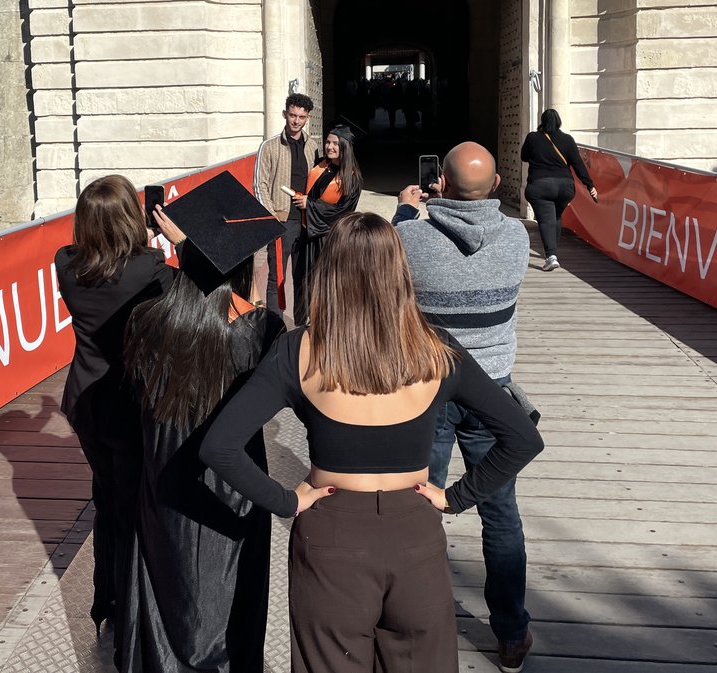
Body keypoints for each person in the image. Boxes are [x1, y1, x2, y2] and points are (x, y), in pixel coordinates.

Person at [199, 212, 545, 673]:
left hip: (330, 531)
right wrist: (456, 497)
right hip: (415, 530)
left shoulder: (298, 350)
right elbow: (522, 438)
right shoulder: (437, 350)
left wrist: (284, 500)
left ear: (329, 272)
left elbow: (219, 446)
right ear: (400, 272)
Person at [120, 172, 287, 673]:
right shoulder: (261, 331)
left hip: (165, 475)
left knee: (166, 585)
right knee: (233, 595)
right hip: (230, 489)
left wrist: (186, 250)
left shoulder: (144, 320)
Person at [394, 142, 538, 673]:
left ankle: (414, 621)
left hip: (428, 389)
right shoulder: (518, 238)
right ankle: (510, 635)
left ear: (441, 185)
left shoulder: (410, 237)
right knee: (501, 515)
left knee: (415, 506)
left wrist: (407, 212)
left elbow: (389, 273)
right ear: (497, 185)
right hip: (493, 393)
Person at [54, 175, 179, 645]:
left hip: (86, 399)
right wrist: (166, 244)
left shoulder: (65, 264)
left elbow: (96, 261)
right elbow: (190, 294)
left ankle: (105, 599)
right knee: (131, 508)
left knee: (107, 500)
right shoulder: (148, 269)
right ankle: (130, 608)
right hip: (129, 403)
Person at [254, 93, 318, 318]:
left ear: (308, 118)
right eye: (292, 115)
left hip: (306, 221)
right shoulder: (270, 146)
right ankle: (275, 327)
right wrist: (272, 217)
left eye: (301, 116)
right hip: (281, 221)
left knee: (304, 275)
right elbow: (259, 184)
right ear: (285, 114)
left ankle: (301, 324)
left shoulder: (313, 147)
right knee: (277, 277)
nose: (296, 121)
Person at [290, 125, 362, 325]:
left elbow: (342, 212)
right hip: (308, 234)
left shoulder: (352, 178)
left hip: (328, 239)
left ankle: (328, 323)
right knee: (303, 279)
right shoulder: (321, 165)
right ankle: (304, 322)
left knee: (326, 281)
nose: (329, 147)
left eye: (335, 144)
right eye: (328, 142)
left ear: (345, 147)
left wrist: (309, 204)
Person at [520, 108, 597, 271]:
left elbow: (524, 157)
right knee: (555, 216)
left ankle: (551, 256)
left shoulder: (533, 138)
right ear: (559, 122)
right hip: (565, 187)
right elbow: (578, 165)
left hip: (540, 186)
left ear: (542, 121)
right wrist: (590, 185)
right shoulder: (568, 140)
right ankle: (552, 251)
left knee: (546, 219)